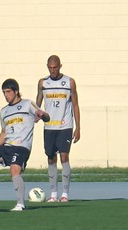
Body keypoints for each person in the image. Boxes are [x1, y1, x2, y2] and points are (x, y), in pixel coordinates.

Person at [0, 78, 50, 211]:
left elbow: (46, 117)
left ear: (16, 91)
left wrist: (42, 114)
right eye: (4, 92)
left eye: (8, 92)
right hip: (6, 146)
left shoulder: (28, 104)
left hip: (21, 147)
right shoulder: (4, 111)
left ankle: (20, 204)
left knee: (14, 171)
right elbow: (4, 132)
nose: (6, 95)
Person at [36, 55, 80, 202]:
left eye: (55, 67)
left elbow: (75, 105)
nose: (52, 70)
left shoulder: (69, 82)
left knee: (64, 156)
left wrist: (78, 127)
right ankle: (53, 193)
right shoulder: (43, 83)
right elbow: (38, 103)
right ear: (47, 66)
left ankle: (65, 194)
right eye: (50, 67)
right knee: (50, 158)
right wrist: (36, 115)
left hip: (65, 125)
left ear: (60, 66)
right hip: (49, 127)